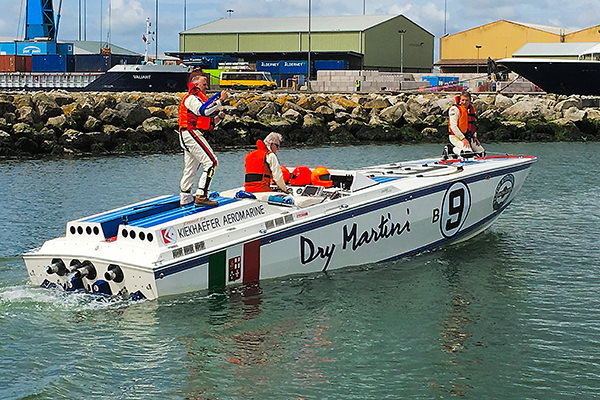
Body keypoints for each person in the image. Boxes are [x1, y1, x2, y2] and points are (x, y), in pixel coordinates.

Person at [178, 75, 228, 207]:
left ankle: (185, 196)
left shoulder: (199, 99)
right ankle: (201, 195)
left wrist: (219, 118)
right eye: (204, 84)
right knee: (211, 162)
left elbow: (207, 122)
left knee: (191, 167)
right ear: (196, 85)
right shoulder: (191, 98)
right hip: (190, 133)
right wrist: (220, 100)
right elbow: (204, 111)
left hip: (191, 134)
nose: (207, 87)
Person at [446, 91, 485, 158]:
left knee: (481, 153)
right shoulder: (454, 110)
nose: (464, 102)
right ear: (459, 100)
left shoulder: (471, 109)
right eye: (463, 100)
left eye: (467, 100)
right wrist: (463, 138)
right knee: (467, 153)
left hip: (468, 136)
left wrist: (474, 136)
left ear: (470, 100)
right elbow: (453, 126)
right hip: (456, 137)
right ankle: (451, 150)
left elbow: (473, 124)